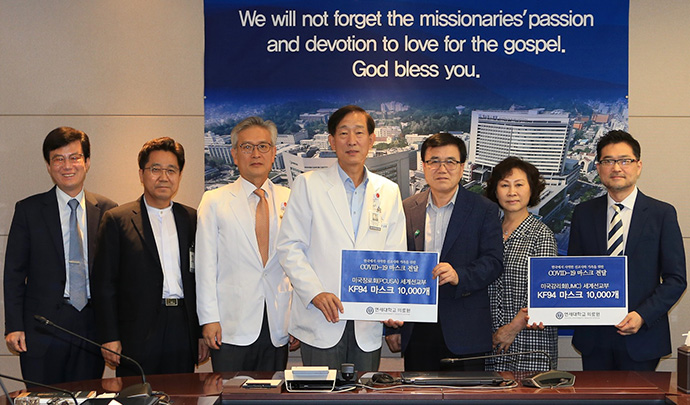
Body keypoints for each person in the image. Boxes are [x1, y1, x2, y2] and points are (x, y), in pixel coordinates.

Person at [276, 105, 407, 372]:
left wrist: (394, 305)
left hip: (368, 322)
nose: (352, 140)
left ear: (372, 139)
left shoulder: (390, 191)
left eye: (359, 132)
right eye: (344, 133)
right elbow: (290, 247)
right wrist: (315, 293)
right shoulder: (307, 184)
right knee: (322, 398)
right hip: (321, 317)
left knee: (363, 396)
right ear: (332, 141)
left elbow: (395, 256)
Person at [3, 127, 117, 385]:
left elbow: (114, 279)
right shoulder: (28, 210)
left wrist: (113, 332)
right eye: (58, 158)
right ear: (48, 165)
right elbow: (13, 274)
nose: (67, 165)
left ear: (87, 162)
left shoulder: (109, 211)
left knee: (87, 399)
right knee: (43, 400)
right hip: (41, 329)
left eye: (75, 157)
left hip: (91, 329)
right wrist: (13, 325)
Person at [568, 130, 686, 371]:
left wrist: (642, 315)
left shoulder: (662, 214)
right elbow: (574, 274)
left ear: (638, 165)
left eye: (625, 160)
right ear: (598, 167)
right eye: (608, 161)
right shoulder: (583, 213)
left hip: (642, 337)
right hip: (594, 339)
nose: (616, 168)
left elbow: (676, 279)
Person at [385, 133, 503, 371]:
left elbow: (494, 262)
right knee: (419, 398)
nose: (442, 168)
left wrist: (460, 275)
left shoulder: (484, 209)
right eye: (434, 161)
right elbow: (394, 266)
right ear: (424, 166)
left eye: (451, 161)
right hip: (417, 327)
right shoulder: (407, 208)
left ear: (462, 167)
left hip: (465, 329)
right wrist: (394, 326)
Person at [91, 137, 208, 376]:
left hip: (181, 326)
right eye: (155, 169)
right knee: (136, 397)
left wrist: (199, 332)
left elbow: (201, 280)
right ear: (141, 173)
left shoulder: (192, 219)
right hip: (136, 332)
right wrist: (110, 336)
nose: (163, 177)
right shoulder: (117, 219)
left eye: (171, 170)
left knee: (182, 397)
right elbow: (104, 284)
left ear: (179, 175)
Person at [195, 117, 297, 372]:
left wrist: (297, 321)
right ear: (234, 154)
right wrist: (209, 320)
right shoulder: (214, 200)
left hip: (278, 322)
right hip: (231, 326)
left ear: (274, 153)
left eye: (263, 146)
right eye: (247, 147)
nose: (255, 154)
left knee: (273, 398)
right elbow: (205, 267)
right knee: (230, 396)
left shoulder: (291, 199)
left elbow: (300, 264)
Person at [484, 157, 558, 371]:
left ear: (531, 190)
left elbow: (544, 291)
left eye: (519, 185)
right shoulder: (489, 231)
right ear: (495, 191)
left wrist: (512, 328)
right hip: (492, 340)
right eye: (504, 185)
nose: (511, 192)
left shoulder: (541, 235)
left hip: (530, 339)